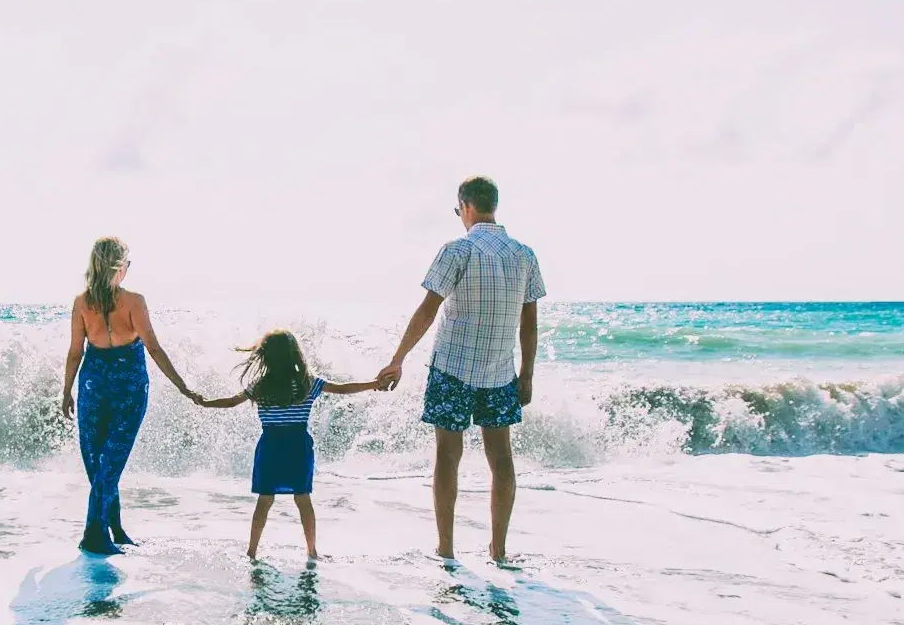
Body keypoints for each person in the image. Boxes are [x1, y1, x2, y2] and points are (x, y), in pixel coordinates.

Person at [375, 176, 545, 563]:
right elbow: (529, 323)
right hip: (501, 373)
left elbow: (428, 309)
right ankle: (498, 551)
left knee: (447, 458)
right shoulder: (524, 255)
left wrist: (398, 358)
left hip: (452, 369)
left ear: (465, 206)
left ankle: (446, 549)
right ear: (493, 206)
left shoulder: (458, 250)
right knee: (501, 459)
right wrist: (528, 374)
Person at [60, 237, 198, 554]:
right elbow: (153, 347)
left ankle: (114, 529)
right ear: (120, 267)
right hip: (129, 386)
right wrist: (181, 385)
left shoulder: (82, 302)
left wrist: (67, 390)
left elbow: (74, 352)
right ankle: (95, 533)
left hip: (93, 385)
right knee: (108, 462)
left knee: (101, 462)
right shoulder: (133, 301)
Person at [195, 330, 386, 559]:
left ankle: (252, 551)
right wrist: (374, 384)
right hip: (298, 448)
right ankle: (312, 551)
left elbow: (230, 403)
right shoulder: (307, 384)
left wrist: (204, 403)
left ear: (265, 357)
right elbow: (342, 388)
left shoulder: (260, 386)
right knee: (303, 498)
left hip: (270, 448)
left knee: (264, 500)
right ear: (295, 355)